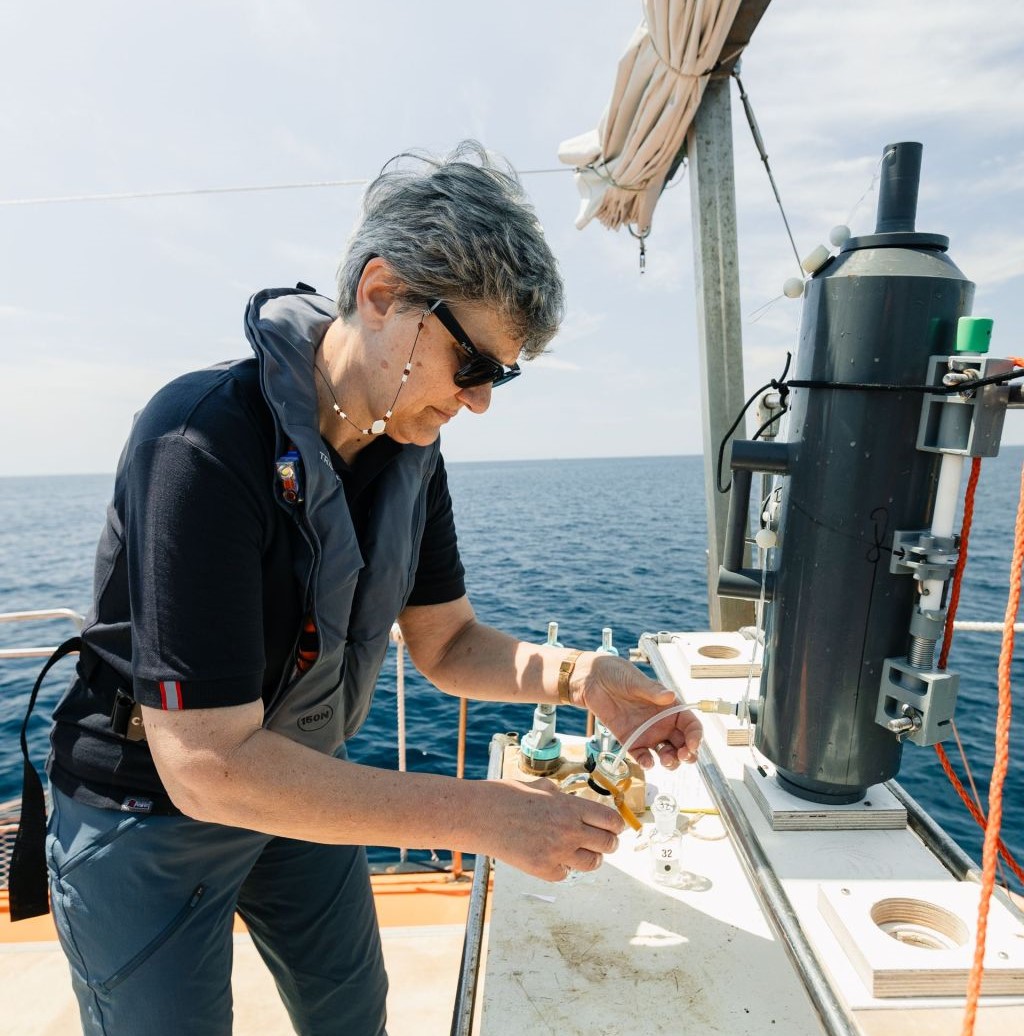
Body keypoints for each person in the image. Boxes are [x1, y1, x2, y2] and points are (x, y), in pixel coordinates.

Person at [38, 141, 703, 1035]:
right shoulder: (199, 443)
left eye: (501, 377)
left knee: (353, 1013)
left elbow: (447, 642)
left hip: (301, 779)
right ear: (383, 294)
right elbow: (207, 766)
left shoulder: (411, 456)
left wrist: (581, 677)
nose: (481, 402)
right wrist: (486, 817)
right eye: (474, 365)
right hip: (150, 808)